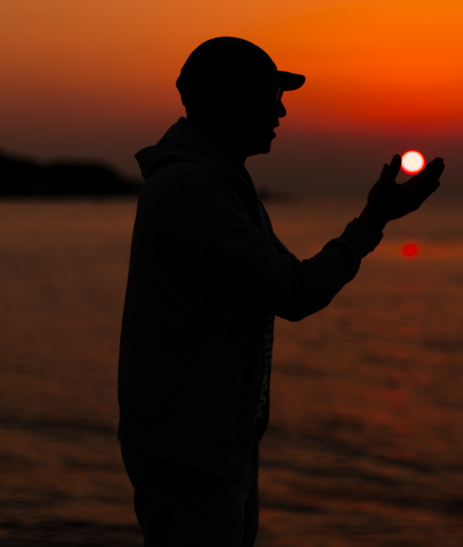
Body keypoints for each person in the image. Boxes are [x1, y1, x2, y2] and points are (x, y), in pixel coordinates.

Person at [117, 36, 444, 546]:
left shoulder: (221, 185)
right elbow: (294, 292)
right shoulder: (193, 190)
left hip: (213, 446)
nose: (283, 110)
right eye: (269, 95)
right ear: (221, 98)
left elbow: (290, 282)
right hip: (189, 452)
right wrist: (374, 218)